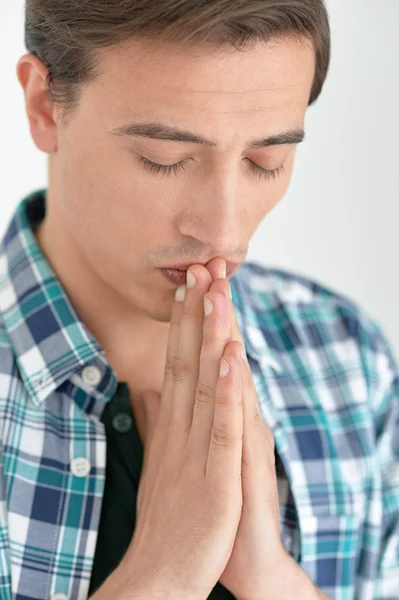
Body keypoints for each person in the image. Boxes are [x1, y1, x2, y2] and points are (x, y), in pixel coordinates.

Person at [0, 0, 398, 598]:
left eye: (267, 161)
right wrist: (160, 574)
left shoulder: (348, 363)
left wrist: (270, 581)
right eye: (165, 160)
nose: (224, 233)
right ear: (43, 106)